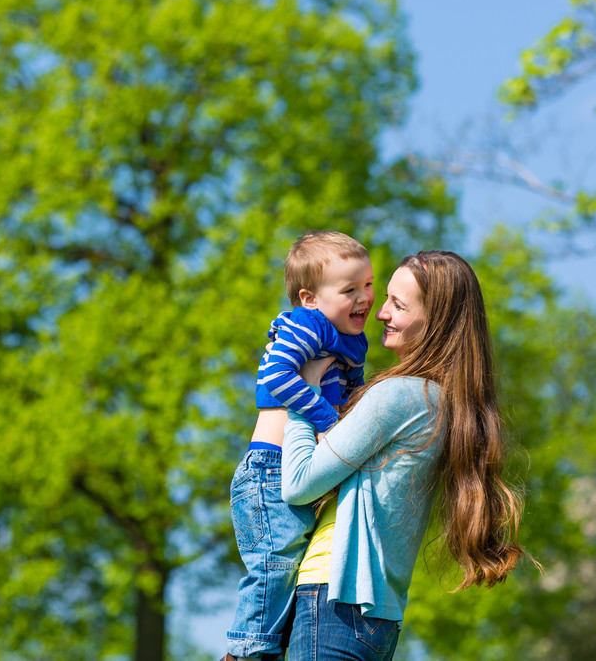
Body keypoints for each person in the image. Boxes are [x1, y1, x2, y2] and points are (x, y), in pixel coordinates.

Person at [281, 250, 530, 661]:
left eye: (398, 305)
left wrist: (300, 396)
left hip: (336, 599)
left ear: (438, 324)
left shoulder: (399, 395)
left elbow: (299, 484)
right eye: (386, 299)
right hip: (376, 617)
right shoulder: (443, 403)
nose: (380, 313)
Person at [225, 231, 375, 661]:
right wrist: (329, 423)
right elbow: (276, 376)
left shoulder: (351, 339)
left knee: (288, 574)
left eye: (367, 284)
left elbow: (352, 397)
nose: (365, 297)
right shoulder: (307, 324)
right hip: (270, 470)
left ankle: (265, 650)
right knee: (273, 567)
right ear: (309, 298)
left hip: (297, 470)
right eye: (349, 289)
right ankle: (243, 652)